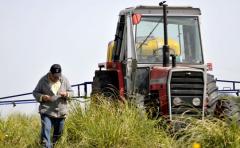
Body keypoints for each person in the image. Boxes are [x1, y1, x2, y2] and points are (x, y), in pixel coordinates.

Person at [33, 64, 74, 148]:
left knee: (58, 135)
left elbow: (71, 92)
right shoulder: (43, 80)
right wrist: (42, 97)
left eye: (58, 76)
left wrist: (66, 94)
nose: (57, 78)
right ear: (50, 73)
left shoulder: (64, 79)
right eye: (55, 76)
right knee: (46, 132)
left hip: (61, 112)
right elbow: (35, 92)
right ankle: (46, 145)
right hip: (46, 111)